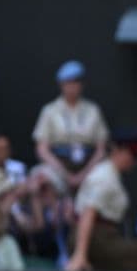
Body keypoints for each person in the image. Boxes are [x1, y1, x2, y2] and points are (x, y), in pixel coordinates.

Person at [65, 128, 137, 271]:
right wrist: (80, 255)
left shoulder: (111, 173)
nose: (134, 161)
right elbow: (88, 214)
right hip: (93, 238)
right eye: (133, 154)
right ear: (118, 150)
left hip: (102, 237)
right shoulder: (104, 176)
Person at [32, 60, 109, 192]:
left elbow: (101, 149)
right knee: (40, 179)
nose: (72, 87)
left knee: (106, 177)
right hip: (58, 165)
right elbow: (42, 149)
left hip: (88, 165)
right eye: (68, 82)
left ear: (82, 84)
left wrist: (83, 174)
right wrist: (65, 174)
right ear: (61, 84)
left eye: (76, 82)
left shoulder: (93, 110)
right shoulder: (50, 111)